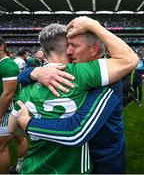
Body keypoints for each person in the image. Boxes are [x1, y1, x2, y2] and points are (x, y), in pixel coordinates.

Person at [9, 17, 138, 174]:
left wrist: (28, 123)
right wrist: (33, 73)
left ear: (94, 50)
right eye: (68, 45)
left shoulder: (108, 82)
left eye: (74, 46)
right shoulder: (71, 73)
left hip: (104, 161)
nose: (69, 51)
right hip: (80, 161)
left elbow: (77, 131)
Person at [0, 34, 28, 173]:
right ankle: (20, 167)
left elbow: (8, 93)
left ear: (1, 46)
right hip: (14, 108)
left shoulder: (7, 64)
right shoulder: (2, 64)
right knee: (20, 138)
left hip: (8, 112)